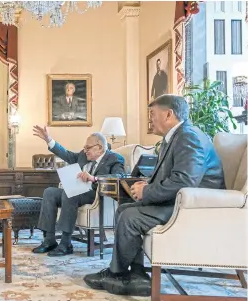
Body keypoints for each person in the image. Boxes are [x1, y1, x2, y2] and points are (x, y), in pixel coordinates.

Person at [83, 95, 225, 296]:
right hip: (180, 202)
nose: (149, 119)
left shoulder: (189, 137)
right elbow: (176, 176)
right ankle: (136, 274)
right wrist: (148, 183)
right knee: (125, 209)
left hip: (194, 209)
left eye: (152, 114)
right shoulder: (176, 137)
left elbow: (184, 181)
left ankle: (118, 274)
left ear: (169, 114)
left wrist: (146, 191)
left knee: (130, 217)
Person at [31, 126, 125, 257]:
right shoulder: (83, 155)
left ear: (100, 148)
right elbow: (67, 154)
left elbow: (119, 177)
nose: (85, 150)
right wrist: (49, 139)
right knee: (50, 192)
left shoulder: (114, 158)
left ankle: (66, 243)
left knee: (70, 193)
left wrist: (94, 178)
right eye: (84, 148)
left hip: (97, 195)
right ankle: (49, 240)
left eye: (88, 148)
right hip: (80, 192)